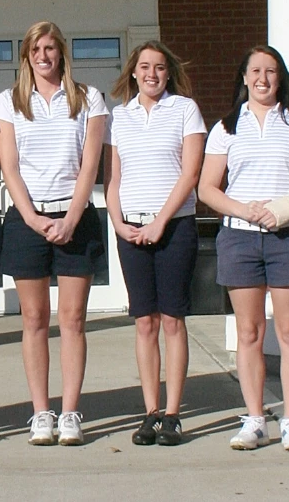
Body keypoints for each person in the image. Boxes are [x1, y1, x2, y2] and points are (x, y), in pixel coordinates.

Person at [198, 45, 289, 452]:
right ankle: (254, 420)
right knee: (249, 332)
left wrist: (283, 210)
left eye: (271, 71)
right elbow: (207, 188)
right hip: (239, 237)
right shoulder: (226, 127)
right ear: (244, 77)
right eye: (255, 71)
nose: (263, 79)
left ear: (280, 77)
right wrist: (245, 210)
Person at [0, 21, 108, 446]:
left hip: (75, 219)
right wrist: (31, 217)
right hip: (28, 222)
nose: (44, 56)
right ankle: (41, 412)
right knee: (34, 319)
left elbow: (90, 164)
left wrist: (71, 218)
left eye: (51, 48)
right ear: (26, 55)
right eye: (36, 49)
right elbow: (10, 167)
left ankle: (70, 413)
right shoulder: (9, 102)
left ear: (61, 52)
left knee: (72, 320)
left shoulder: (87, 98)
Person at [104, 41, 205, 446]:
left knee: (171, 320)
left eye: (159, 67)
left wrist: (162, 221)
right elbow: (112, 179)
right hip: (131, 231)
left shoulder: (185, 110)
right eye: (144, 67)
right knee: (144, 322)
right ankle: (150, 412)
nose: (151, 74)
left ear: (168, 73)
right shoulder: (119, 117)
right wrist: (118, 223)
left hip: (175, 228)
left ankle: (174, 414)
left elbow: (191, 173)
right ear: (133, 72)